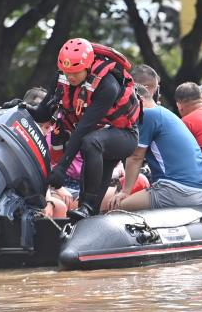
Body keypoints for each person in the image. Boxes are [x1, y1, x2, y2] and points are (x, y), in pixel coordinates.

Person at [28, 38, 140, 221]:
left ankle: (87, 206)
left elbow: (83, 128)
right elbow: (43, 112)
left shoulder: (107, 85)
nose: (70, 77)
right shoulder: (61, 77)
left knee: (91, 142)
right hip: (96, 140)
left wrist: (62, 168)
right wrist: (23, 109)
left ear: (88, 67)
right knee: (92, 145)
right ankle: (87, 213)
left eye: (76, 72)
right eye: (67, 72)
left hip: (124, 136)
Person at [111, 66, 202, 210]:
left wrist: (125, 191)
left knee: (116, 207)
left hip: (177, 189)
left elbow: (136, 157)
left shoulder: (147, 115)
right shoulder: (164, 113)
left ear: (139, 98)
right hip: (199, 190)